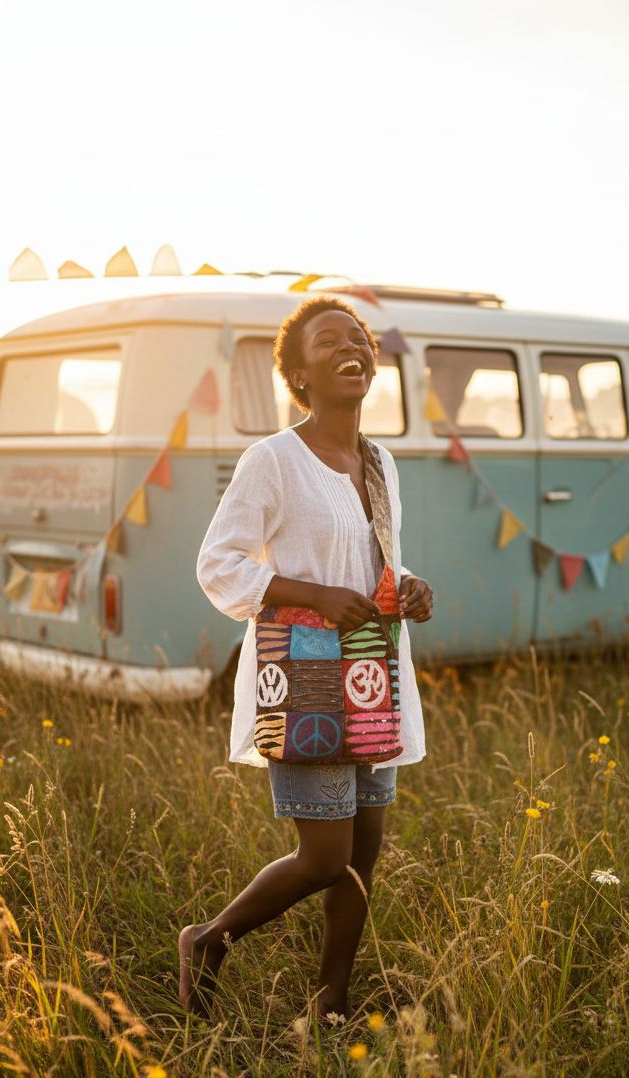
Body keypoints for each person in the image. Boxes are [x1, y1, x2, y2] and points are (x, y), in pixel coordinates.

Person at [180, 295, 433, 1021]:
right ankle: (208, 939)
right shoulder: (273, 460)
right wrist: (312, 594)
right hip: (308, 680)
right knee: (324, 857)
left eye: (358, 338)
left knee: (365, 853)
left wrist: (406, 585)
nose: (351, 347)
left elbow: (369, 557)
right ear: (297, 373)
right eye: (329, 341)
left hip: (372, 675)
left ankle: (331, 1002)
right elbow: (218, 564)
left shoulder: (380, 464)